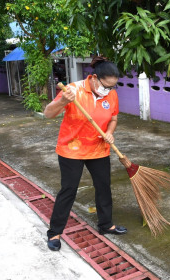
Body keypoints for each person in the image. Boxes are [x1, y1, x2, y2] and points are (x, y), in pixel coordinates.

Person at [44, 56, 127, 251]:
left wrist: (109, 133)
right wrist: (62, 101)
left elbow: (113, 119)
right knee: (68, 190)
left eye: (112, 87)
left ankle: (106, 225)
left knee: (103, 187)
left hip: (98, 149)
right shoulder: (74, 90)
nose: (108, 90)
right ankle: (54, 232)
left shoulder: (111, 95)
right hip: (71, 150)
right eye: (106, 86)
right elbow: (48, 113)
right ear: (95, 78)